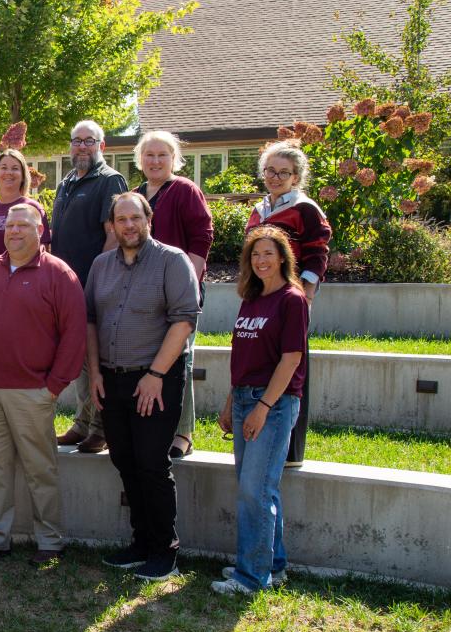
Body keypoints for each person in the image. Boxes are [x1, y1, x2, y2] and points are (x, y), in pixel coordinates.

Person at [0, 204, 85, 566]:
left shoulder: (58, 273)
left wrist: (53, 386)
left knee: (39, 468)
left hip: (33, 391)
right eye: (10, 225)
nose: (14, 231)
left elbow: (75, 334)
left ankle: (50, 540)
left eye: (23, 225)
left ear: (40, 230)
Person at [88, 192, 200, 581]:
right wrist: (95, 374)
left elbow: (184, 321)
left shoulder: (172, 261)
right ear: (112, 225)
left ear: (149, 219)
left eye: (136, 218)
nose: (129, 225)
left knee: (152, 464)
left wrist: (154, 375)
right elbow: (90, 322)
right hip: (111, 378)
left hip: (156, 378)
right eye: (121, 219)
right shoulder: (101, 265)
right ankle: (140, 542)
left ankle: (164, 550)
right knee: (124, 460)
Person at [211, 227, 308, 595]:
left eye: (268, 253)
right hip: (244, 398)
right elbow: (243, 358)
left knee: (255, 490)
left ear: (282, 256)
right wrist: (231, 402)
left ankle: (251, 577)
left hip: (275, 403)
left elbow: (291, 360)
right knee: (260, 488)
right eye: (255, 255)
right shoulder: (251, 299)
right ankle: (273, 563)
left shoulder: (291, 300)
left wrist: (263, 407)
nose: (261, 260)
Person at [246, 140, 331, 468]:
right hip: (260, 297)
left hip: (289, 297)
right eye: (270, 170)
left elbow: (317, 251)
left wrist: (305, 293)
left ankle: (291, 451)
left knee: (291, 363)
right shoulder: (260, 210)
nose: (276, 177)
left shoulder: (305, 208)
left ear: (296, 176)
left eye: (284, 172)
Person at [133, 130, 214, 459]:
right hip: (143, 295)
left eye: (162, 155)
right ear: (140, 160)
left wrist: (189, 284)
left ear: (174, 159)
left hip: (179, 293)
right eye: (149, 155)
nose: (155, 160)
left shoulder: (184, 190)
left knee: (181, 359)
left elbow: (202, 236)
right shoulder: (136, 194)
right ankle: (154, 426)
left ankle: (183, 432)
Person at [50, 120, 128, 454]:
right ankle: (83, 422)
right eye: (76, 141)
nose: (82, 147)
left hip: (95, 286)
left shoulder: (109, 180)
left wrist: (98, 281)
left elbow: (113, 234)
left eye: (89, 141)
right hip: (67, 287)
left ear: (102, 145)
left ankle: (100, 427)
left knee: (97, 358)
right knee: (81, 358)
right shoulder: (67, 182)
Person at [0, 148, 51, 260]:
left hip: (25, 276)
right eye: (3, 168)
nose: (9, 172)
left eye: (15, 168)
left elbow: (43, 253)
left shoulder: (33, 208)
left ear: (23, 176)